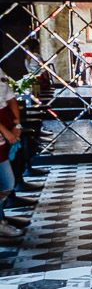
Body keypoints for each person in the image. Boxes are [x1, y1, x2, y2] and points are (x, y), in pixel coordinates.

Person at [0, 69, 25, 243]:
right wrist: (5, 131)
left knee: (7, 183)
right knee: (6, 181)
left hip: (6, 122)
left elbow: (10, 98)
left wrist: (17, 125)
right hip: (2, 128)